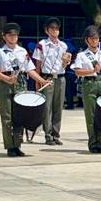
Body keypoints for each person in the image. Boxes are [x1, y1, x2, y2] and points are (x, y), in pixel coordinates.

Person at [0, 23, 48, 157]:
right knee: (7, 117)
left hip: (21, 83)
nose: (13, 37)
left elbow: (30, 69)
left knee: (20, 116)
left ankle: (17, 144)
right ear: (4, 37)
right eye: (10, 35)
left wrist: (41, 80)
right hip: (6, 84)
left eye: (15, 35)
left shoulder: (22, 51)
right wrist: (6, 78)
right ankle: (10, 146)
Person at [32, 17, 70, 145]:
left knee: (58, 107)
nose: (55, 31)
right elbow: (38, 64)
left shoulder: (63, 45)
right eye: (52, 28)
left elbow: (64, 64)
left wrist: (66, 62)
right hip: (46, 77)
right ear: (47, 30)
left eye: (57, 29)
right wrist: (38, 81)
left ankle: (56, 134)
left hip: (60, 77)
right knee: (47, 107)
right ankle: (48, 134)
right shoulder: (41, 45)